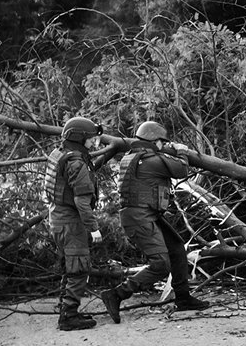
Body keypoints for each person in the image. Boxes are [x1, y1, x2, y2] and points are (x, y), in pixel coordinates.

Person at [99, 121, 208, 322]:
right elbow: (181, 170)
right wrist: (181, 151)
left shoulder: (134, 156)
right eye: (161, 142)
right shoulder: (150, 160)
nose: (163, 145)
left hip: (145, 214)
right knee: (160, 264)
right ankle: (116, 294)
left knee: (176, 249)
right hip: (139, 217)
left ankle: (183, 298)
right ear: (154, 141)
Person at [44, 115, 105, 331]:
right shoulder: (76, 162)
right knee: (79, 267)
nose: (93, 143)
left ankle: (66, 308)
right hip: (71, 222)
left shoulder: (60, 154)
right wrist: (94, 228)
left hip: (57, 218)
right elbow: (82, 201)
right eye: (90, 139)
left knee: (69, 266)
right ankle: (68, 316)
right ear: (79, 138)